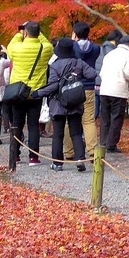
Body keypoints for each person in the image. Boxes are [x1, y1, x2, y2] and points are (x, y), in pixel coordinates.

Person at [34, 37, 98, 171]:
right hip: (75, 101)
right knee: (76, 132)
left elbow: (53, 85)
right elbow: (92, 74)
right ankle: (80, 159)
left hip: (59, 103)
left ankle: (57, 163)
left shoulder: (55, 66)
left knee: (58, 134)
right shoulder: (79, 63)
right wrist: (76, 78)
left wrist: (38, 93)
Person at [7, 21, 54, 164]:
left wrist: (20, 32)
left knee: (17, 123)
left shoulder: (16, 48)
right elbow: (45, 41)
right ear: (39, 33)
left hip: (18, 91)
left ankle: (15, 155)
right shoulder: (45, 48)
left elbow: (10, 46)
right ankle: (33, 157)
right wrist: (37, 32)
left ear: (25, 33)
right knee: (33, 125)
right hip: (35, 92)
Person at [64, 22, 101, 163]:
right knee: (89, 120)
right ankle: (92, 152)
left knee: (71, 119)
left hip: (72, 87)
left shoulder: (72, 47)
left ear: (75, 34)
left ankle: (69, 151)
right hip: (89, 87)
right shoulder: (96, 49)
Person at [97, 34, 129, 153]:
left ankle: (103, 142)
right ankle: (111, 144)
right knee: (116, 118)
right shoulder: (128, 56)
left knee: (105, 117)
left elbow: (102, 73)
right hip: (119, 91)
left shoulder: (109, 54)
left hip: (104, 89)